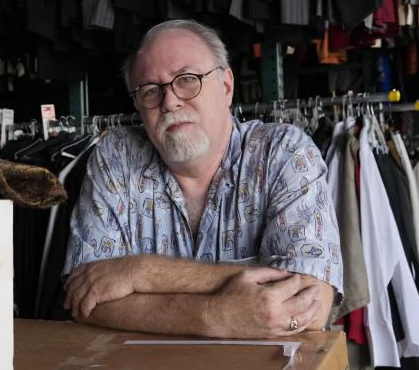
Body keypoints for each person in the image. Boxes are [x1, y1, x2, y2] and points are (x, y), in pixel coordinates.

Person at [62, 20, 343, 338]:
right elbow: (86, 301)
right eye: (151, 90)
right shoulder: (117, 155)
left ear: (225, 87)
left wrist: (141, 272)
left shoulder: (284, 152)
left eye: (187, 80)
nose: (170, 102)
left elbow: (311, 302)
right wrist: (214, 316)